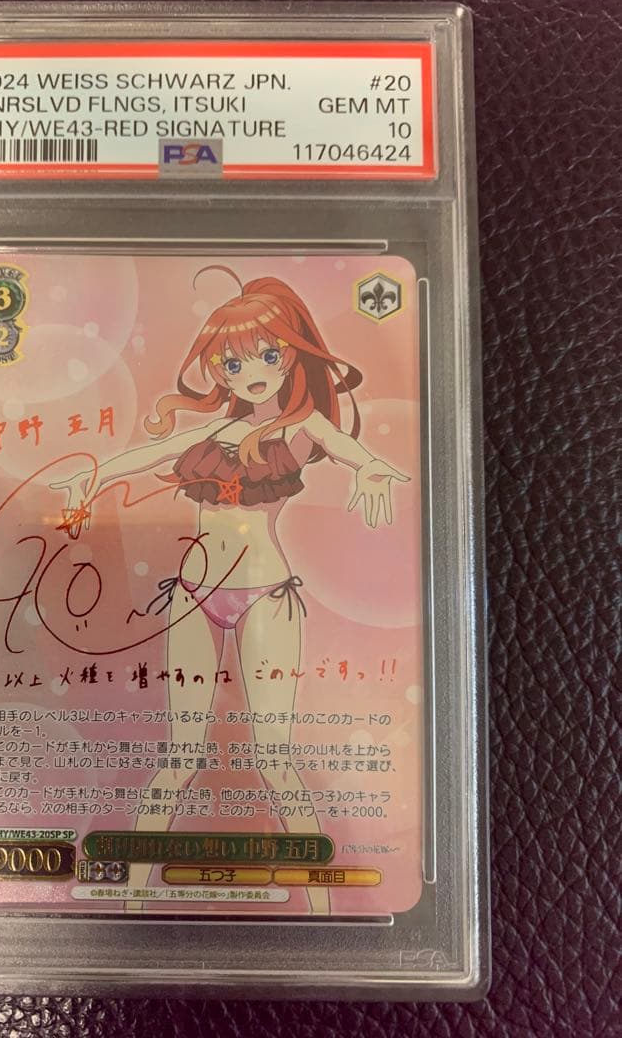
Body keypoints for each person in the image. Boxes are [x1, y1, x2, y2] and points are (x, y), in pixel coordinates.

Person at [52, 267, 409, 913]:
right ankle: (130, 906)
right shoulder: (212, 431)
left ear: (291, 354)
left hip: (266, 595)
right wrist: (93, 476)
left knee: (276, 758)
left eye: (268, 355)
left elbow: (356, 452)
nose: (251, 372)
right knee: (179, 757)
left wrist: (374, 471)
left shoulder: (302, 429)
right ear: (219, 369)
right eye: (233, 362)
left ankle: (325, 913)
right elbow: (139, 458)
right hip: (193, 595)